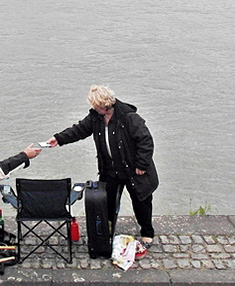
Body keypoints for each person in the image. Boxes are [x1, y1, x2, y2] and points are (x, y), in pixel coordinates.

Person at [46, 85, 158, 247]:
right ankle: (107, 233)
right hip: (110, 169)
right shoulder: (95, 117)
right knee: (107, 203)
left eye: (95, 105)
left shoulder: (129, 117)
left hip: (133, 170)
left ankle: (147, 233)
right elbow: (79, 130)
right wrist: (59, 139)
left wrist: (141, 164)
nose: (93, 108)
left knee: (141, 201)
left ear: (104, 105)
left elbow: (146, 141)